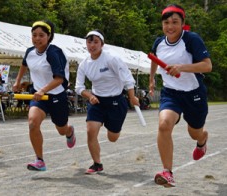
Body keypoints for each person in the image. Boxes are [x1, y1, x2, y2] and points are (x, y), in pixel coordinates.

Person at [149, 4, 212, 187]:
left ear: (183, 23)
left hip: (194, 93)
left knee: (195, 133)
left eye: (175, 22)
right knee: (164, 124)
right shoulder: (159, 42)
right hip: (171, 93)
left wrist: (181, 67)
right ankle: (167, 172)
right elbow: (153, 58)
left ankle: (202, 140)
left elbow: (207, 66)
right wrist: (152, 79)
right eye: (166, 22)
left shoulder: (191, 39)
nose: (170, 26)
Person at [12, 20, 76, 171]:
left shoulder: (54, 53)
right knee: (33, 122)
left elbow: (59, 79)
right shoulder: (30, 52)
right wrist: (17, 81)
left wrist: (43, 91)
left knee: (61, 129)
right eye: (34, 35)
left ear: (49, 36)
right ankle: (39, 160)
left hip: (56, 96)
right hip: (39, 96)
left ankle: (69, 131)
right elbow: (24, 64)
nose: (37, 38)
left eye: (41, 35)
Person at [75, 30, 139, 174]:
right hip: (96, 101)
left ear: (102, 44)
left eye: (95, 42)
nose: (92, 45)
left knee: (113, 137)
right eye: (89, 42)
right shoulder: (84, 64)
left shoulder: (112, 58)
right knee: (91, 131)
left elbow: (127, 78)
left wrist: (132, 96)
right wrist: (89, 96)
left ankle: (114, 127)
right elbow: (79, 87)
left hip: (116, 101)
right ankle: (97, 164)